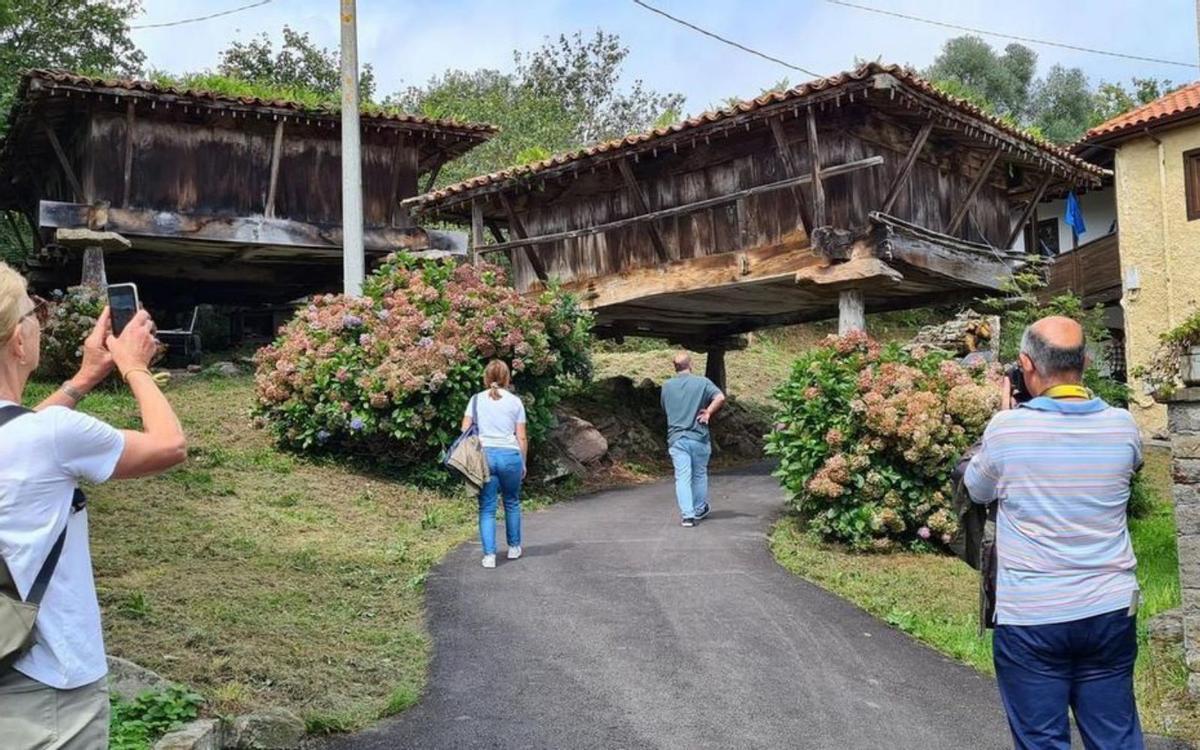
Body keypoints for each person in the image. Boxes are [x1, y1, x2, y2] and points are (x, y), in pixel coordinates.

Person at [0, 262, 188, 749]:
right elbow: (169, 446)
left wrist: (85, 377)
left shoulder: (33, 437)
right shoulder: (53, 437)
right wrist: (135, 366)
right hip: (50, 686)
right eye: (33, 313)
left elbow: (19, 435)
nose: (39, 322)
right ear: (18, 342)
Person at [965, 316, 1143, 750]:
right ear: (1086, 362)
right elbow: (1132, 466)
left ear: (1026, 364)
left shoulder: (1007, 429)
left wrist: (1005, 419)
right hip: (1109, 608)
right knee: (1116, 737)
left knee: (1042, 741)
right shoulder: (1123, 425)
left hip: (1033, 615)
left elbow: (976, 489)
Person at [462, 360, 527, 568]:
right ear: (507, 378)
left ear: (486, 377)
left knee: (487, 507)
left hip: (485, 457)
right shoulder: (515, 402)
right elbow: (521, 436)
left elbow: (464, 430)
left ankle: (489, 555)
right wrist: (523, 463)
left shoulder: (475, 400)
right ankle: (514, 547)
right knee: (512, 502)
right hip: (511, 456)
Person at [661, 352, 726, 527]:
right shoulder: (702, 382)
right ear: (691, 364)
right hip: (698, 437)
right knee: (699, 474)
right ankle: (699, 508)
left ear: (675, 367)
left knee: (682, 477)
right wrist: (708, 412)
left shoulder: (667, 386)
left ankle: (687, 516)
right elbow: (720, 397)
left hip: (677, 438)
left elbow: (665, 409)